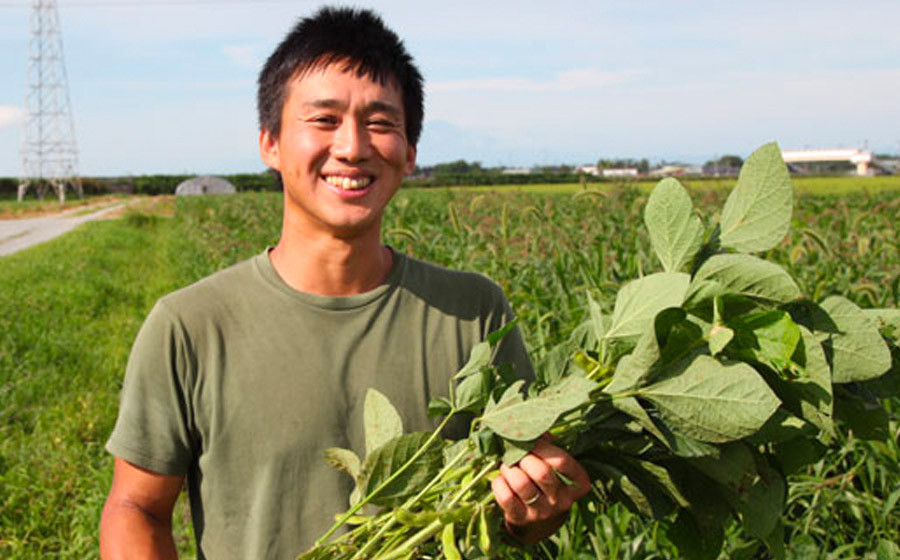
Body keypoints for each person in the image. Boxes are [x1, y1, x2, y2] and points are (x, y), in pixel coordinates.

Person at [99, 7, 589, 559]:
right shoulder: (190, 325)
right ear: (270, 144)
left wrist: (538, 511)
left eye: (380, 123)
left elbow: (519, 514)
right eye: (324, 120)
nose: (353, 147)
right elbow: (135, 508)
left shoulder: (474, 311)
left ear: (409, 154)